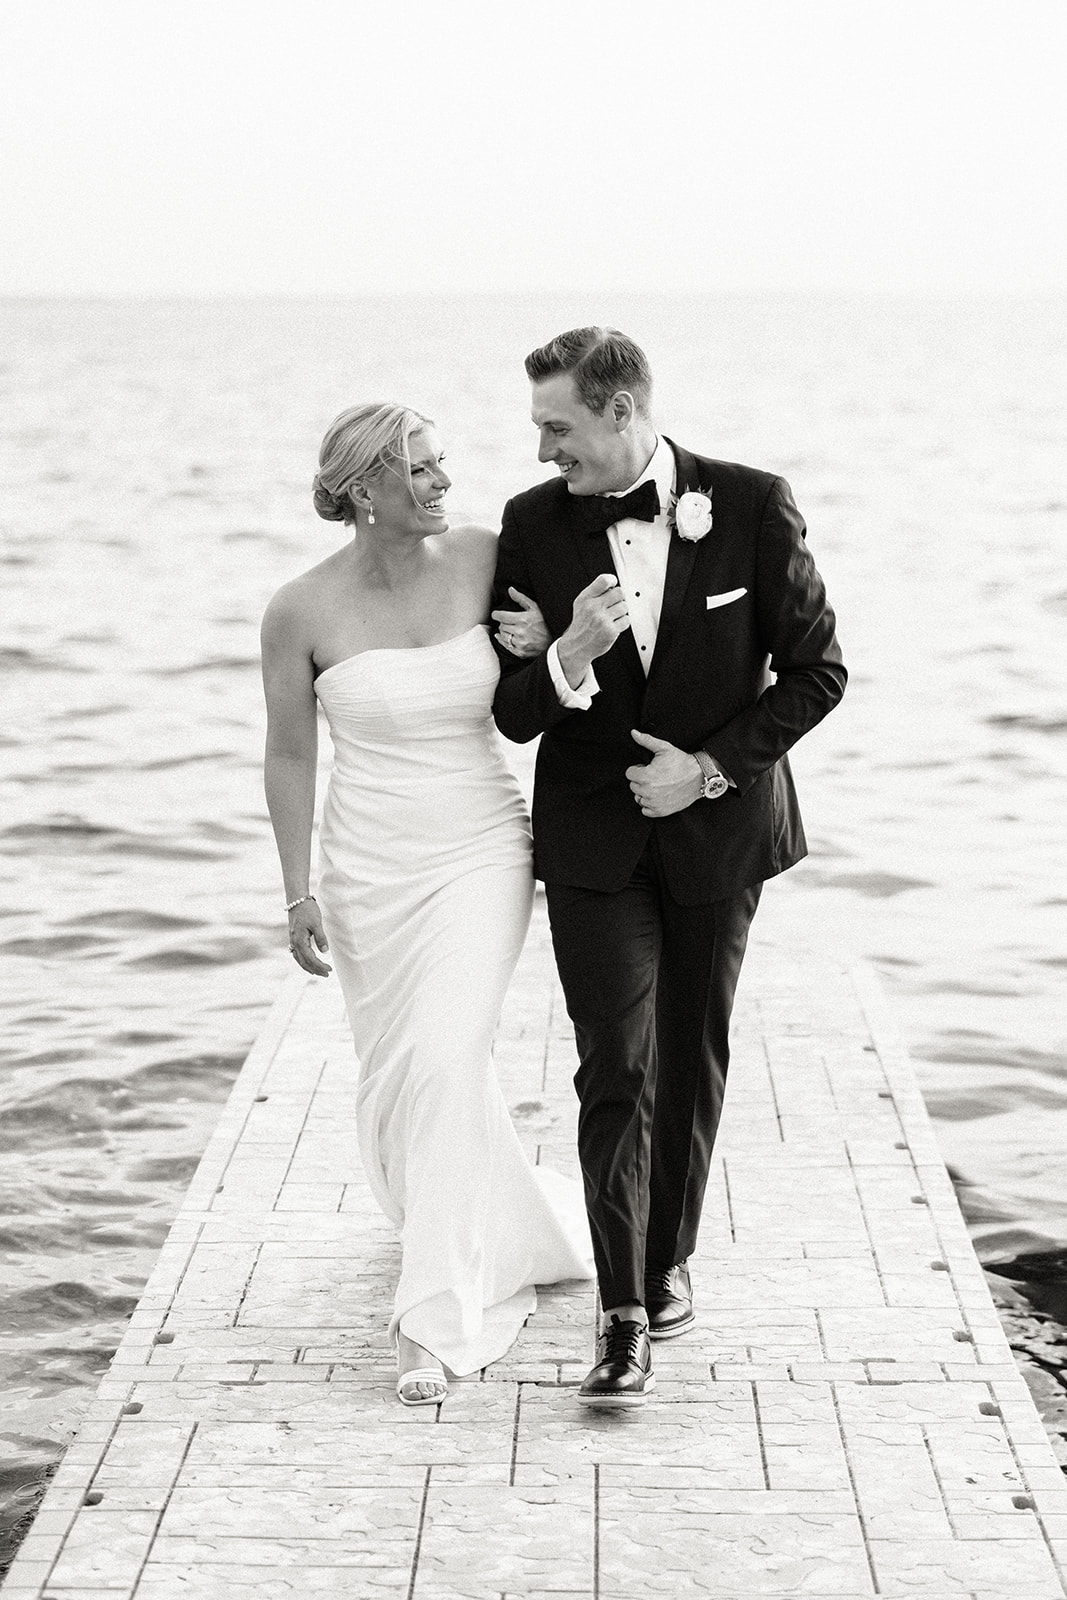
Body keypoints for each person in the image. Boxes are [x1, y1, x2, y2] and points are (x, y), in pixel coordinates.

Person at [490, 327, 846, 1407]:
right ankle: (620, 1312)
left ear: (620, 411)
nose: (544, 447)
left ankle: (665, 1256)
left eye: (558, 427)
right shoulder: (530, 525)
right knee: (614, 1065)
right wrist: (568, 656)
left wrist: (706, 770)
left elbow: (817, 671)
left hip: (715, 830)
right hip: (594, 838)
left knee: (689, 1054)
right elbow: (510, 713)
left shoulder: (748, 503)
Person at [260, 403, 593, 1407]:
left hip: (480, 847)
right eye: (417, 466)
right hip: (365, 867)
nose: (442, 479)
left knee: (447, 1056)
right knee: (399, 1074)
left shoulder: (490, 556)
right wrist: (293, 891)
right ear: (362, 490)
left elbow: (543, 690)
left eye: (443, 460)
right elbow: (288, 753)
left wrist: (546, 646)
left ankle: (434, 1320)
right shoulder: (298, 610)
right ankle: (486, 1224)